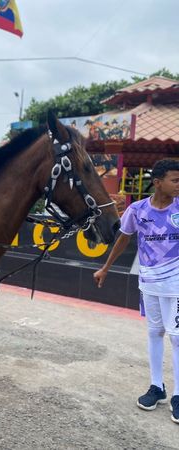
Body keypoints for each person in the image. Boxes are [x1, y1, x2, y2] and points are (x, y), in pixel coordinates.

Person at [94, 159, 179, 424]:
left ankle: (178, 395)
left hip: (176, 286)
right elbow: (123, 238)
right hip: (150, 284)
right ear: (158, 182)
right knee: (155, 333)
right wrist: (105, 268)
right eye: (175, 180)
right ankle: (157, 387)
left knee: (177, 338)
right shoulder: (137, 210)